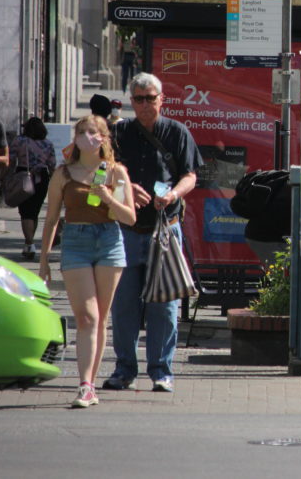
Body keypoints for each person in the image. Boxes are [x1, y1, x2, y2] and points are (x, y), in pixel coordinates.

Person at [103, 72, 202, 394]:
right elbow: (100, 174)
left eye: (150, 98)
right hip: (127, 230)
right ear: (131, 101)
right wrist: (126, 186)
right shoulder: (118, 133)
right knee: (124, 306)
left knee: (165, 306)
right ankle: (124, 370)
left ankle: (162, 371)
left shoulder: (177, 132)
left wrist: (173, 194)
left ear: (162, 99)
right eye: (139, 98)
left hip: (165, 231)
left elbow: (190, 175)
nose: (145, 104)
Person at [37, 115, 136, 408]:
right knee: (87, 317)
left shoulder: (115, 173)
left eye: (92, 132)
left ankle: (90, 385)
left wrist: (108, 199)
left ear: (104, 139)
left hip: (109, 241)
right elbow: (52, 217)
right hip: (76, 242)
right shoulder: (63, 174)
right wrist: (44, 259)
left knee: (101, 319)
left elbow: (129, 217)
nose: (86, 137)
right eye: (81, 132)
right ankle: (84, 385)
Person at [10, 117, 58, 259]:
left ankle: (29, 243)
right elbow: (52, 164)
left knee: (25, 211)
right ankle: (29, 244)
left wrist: (6, 177)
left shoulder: (20, 141)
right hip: (42, 178)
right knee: (34, 211)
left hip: (23, 175)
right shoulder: (48, 144)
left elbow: (11, 159)